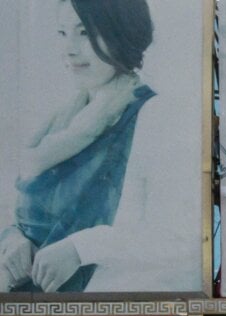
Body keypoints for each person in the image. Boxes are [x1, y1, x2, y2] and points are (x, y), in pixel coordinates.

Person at [2, 0, 168, 292]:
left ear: (122, 32)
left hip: (101, 301)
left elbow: (172, 236)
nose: (69, 49)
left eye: (85, 32)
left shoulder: (151, 115)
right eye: (62, 33)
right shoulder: (62, 116)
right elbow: (15, 205)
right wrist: (11, 238)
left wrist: (79, 249)